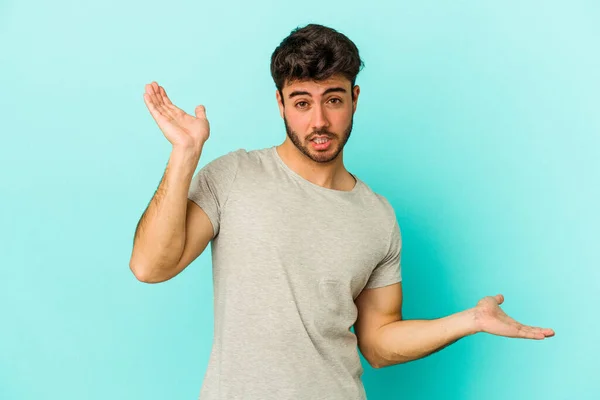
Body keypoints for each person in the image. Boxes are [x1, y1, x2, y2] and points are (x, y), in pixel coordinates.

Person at [129, 23, 555, 400]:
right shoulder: (233, 176)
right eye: (301, 103)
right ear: (280, 104)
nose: (318, 121)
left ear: (354, 98)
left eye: (332, 100)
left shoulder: (377, 216)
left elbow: (379, 343)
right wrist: (185, 153)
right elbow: (150, 266)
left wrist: (470, 320)